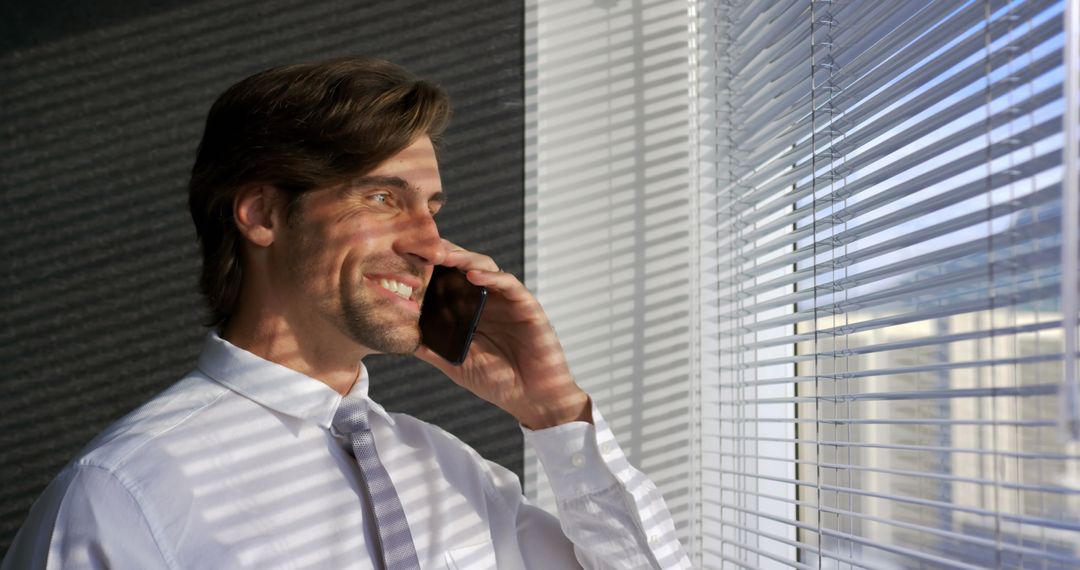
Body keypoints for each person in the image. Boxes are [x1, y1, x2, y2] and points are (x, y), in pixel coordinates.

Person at [2, 57, 691, 570]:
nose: (429, 245)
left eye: (432, 208)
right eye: (383, 198)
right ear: (265, 214)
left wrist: (555, 414)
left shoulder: (453, 472)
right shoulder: (120, 497)